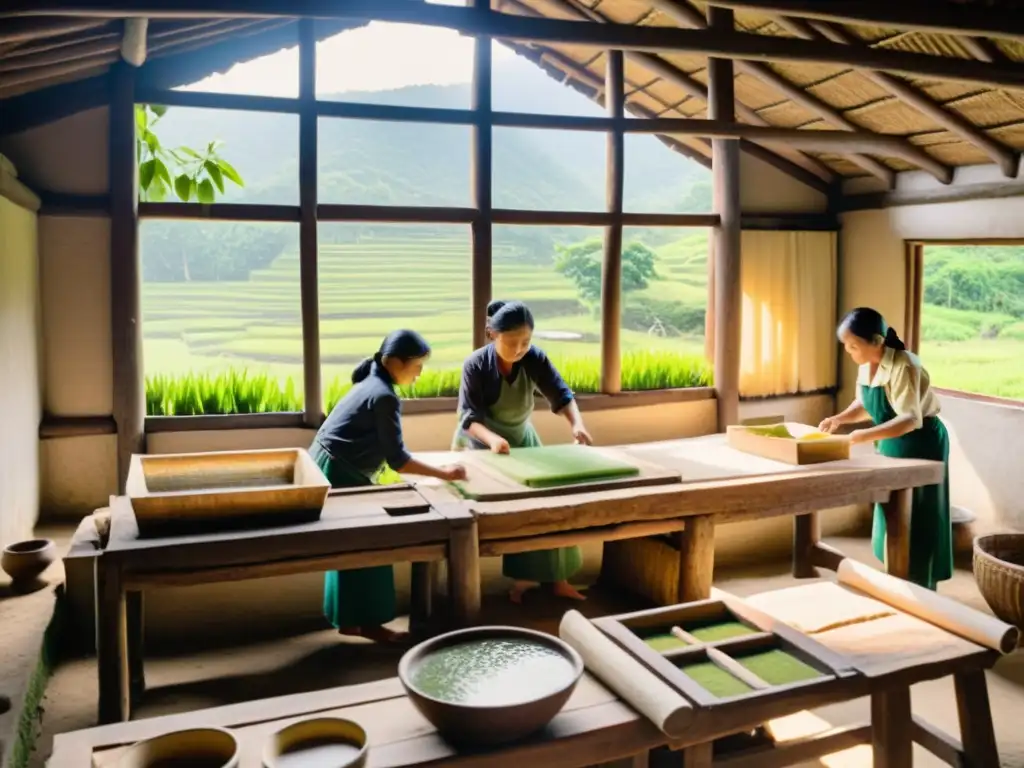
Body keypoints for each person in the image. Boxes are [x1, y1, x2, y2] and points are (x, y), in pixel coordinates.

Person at [311, 330, 466, 643]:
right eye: (417, 365)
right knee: (374, 542)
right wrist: (445, 474)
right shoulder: (384, 396)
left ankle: (351, 621)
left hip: (326, 466)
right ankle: (370, 624)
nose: (420, 372)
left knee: (350, 547)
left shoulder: (370, 382)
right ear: (394, 361)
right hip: (340, 471)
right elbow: (398, 460)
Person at [453, 300, 593, 604]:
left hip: (521, 437)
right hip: (480, 443)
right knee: (497, 515)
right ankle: (521, 580)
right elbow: (469, 420)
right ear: (492, 334)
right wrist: (492, 440)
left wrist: (577, 424)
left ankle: (558, 581)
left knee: (552, 501)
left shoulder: (534, 359)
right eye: (512, 342)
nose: (519, 349)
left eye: (526, 342)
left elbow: (562, 394)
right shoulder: (475, 365)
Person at [819, 307, 951, 591]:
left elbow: (909, 419)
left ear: (877, 341)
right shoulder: (865, 365)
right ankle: (896, 571)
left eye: (853, 346)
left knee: (919, 511)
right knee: (892, 508)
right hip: (889, 439)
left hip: (922, 440)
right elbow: (865, 404)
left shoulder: (906, 365)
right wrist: (839, 419)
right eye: (846, 346)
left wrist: (861, 437)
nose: (850, 352)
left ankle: (921, 582)